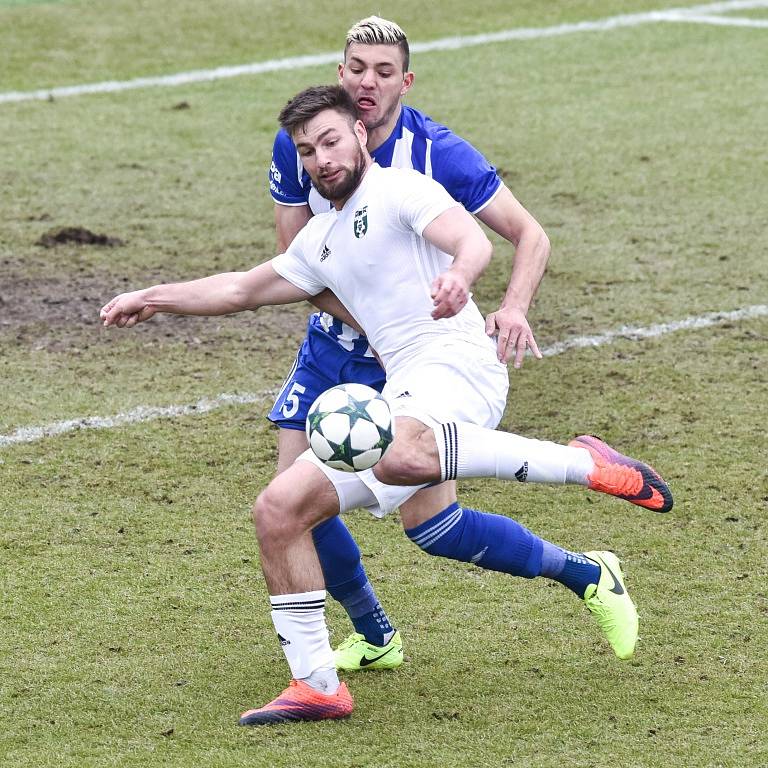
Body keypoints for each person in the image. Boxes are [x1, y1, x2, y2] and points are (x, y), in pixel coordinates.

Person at [100, 84, 673, 726]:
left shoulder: (399, 189)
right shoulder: (318, 242)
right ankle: (317, 685)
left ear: (361, 136)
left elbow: (473, 241)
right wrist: (154, 295)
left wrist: (460, 276)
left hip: (458, 364)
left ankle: (582, 463)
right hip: (404, 389)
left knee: (401, 456)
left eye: (331, 140)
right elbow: (240, 288)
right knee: (282, 509)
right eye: (307, 150)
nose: (321, 158)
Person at [266, 15, 552, 672]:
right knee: (289, 500)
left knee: (433, 528)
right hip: (335, 347)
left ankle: (586, 574)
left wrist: (512, 306)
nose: (368, 82)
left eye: (383, 71)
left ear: (406, 80)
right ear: (341, 75)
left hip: (421, 360)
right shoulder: (306, 143)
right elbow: (293, 260)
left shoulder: (438, 154)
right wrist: (368, 318)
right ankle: (373, 632)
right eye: (357, 69)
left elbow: (527, 235)